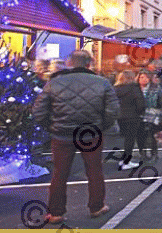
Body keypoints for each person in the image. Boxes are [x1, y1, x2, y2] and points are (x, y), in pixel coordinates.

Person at [32, 50, 116, 224]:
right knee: (94, 171)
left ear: (69, 63)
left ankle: (55, 212)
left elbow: (38, 111)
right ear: (88, 64)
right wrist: (101, 126)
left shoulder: (54, 83)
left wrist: (52, 127)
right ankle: (96, 206)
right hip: (91, 133)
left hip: (62, 135)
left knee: (59, 173)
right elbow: (112, 110)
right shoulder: (102, 83)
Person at [114, 70, 147, 170]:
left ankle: (122, 159)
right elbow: (140, 103)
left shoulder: (115, 89)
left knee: (123, 139)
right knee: (130, 140)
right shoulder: (134, 88)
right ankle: (126, 161)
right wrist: (141, 113)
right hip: (133, 116)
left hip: (119, 117)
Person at [138, 71, 162, 165]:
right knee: (140, 136)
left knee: (150, 135)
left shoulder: (156, 89)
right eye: (141, 77)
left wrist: (161, 118)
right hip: (138, 115)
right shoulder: (135, 89)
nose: (144, 79)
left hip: (153, 115)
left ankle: (154, 153)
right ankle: (143, 154)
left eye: (146, 77)